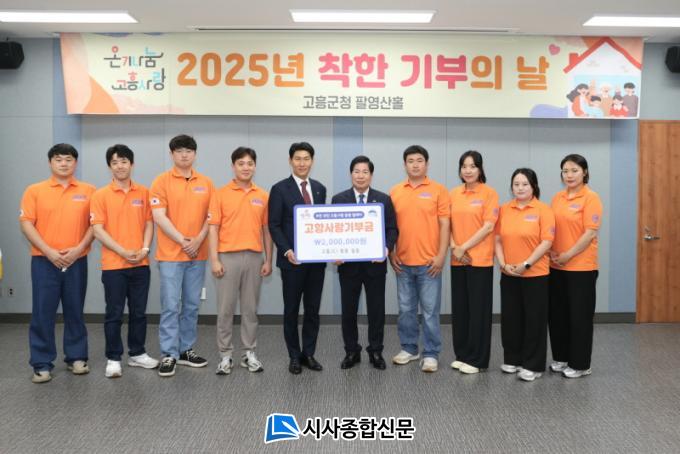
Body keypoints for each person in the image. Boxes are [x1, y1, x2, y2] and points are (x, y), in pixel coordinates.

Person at [19, 143, 95, 383]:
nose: (64, 163)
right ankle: (41, 364)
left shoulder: (89, 191)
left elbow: (95, 225)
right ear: (50, 162)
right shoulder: (34, 190)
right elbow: (27, 223)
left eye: (69, 159)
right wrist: (49, 251)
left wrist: (78, 249)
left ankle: (77, 357)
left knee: (75, 310)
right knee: (43, 312)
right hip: (44, 261)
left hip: (77, 261)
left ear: (76, 163)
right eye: (59, 159)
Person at [90, 144, 159, 378]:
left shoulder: (144, 192)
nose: (120, 166)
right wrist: (122, 251)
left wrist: (145, 249)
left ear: (132, 164)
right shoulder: (100, 195)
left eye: (124, 161)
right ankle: (113, 358)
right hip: (113, 266)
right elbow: (98, 230)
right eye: (115, 162)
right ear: (109, 166)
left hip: (140, 264)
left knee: (139, 312)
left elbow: (149, 223)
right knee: (114, 313)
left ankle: (137, 353)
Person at [150, 134, 214, 377]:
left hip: (198, 254)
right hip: (170, 255)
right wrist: (183, 240)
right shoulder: (161, 181)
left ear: (195, 154)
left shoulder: (206, 183)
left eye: (188, 151)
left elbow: (211, 217)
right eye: (179, 151)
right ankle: (169, 353)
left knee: (191, 305)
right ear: (172, 154)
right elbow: (159, 216)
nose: (184, 155)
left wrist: (197, 240)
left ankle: (186, 349)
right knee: (170, 305)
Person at [208, 147, 273, 375]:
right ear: (233, 166)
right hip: (227, 257)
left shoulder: (262, 195)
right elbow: (213, 229)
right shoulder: (220, 194)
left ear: (255, 166)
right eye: (241, 163)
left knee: (250, 310)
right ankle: (225, 355)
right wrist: (214, 260)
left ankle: (249, 353)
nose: (246, 167)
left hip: (254, 257)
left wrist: (268, 259)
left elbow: (266, 230)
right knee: (225, 310)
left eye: (250, 163)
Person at [331, 155, 398, 370]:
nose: (360, 176)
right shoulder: (338, 199)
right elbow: (332, 231)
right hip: (348, 267)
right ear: (351, 174)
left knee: (376, 311)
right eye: (356, 171)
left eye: (365, 172)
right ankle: (351, 351)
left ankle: (376, 351)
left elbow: (392, 229)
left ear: (371, 175)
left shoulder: (383, 199)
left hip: (375, 266)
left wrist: (386, 249)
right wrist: (334, 252)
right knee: (348, 311)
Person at [390, 145, 450, 373]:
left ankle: (431, 353)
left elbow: (445, 225)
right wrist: (391, 253)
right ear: (404, 165)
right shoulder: (395, 191)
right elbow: (390, 227)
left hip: (429, 264)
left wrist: (441, 256)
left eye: (419, 160)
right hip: (402, 263)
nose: (415, 165)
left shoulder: (439, 190)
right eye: (410, 161)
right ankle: (409, 348)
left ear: (427, 163)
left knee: (430, 312)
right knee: (405, 310)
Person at [268, 142, 327, 374]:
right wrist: (286, 250)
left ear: (312, 161)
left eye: (306, 158)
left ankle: (308, 354)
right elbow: (274, 225)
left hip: (316, 263)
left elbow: (322, 224)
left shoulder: (320, 189)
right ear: (290, 161)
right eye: (298, 159)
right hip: (292, 261)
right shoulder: (279, 189)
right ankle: (294, 356)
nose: (302, 163)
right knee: (291, 310)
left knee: (312, 310)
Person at [495, 168, 554, 382]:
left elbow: (546, 242)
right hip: (509, 273)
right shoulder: (504, 209)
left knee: (534, 320)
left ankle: (533, 365)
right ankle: (513, 359)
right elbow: (497, 239)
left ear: (533, 186)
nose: (520, 188)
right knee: (511, 319)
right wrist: (503, 264)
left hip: (535, 275)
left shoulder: (543, 210)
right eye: (516, 184)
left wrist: (526, 264)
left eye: (525, 184)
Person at [549, 154, 602, 378]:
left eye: (574, 170)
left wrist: (568, 255)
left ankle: (581, 364)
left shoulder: (591, 198)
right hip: (556, 266)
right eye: (565, 171)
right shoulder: (558, 197)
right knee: (558, 315)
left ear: (585, 172)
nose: (569, 175)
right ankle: (561, 357)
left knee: (579, 317)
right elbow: (550, 228)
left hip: (581, 268)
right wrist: (551, 252)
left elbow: (590, 233)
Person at [449, 151, 499, 375]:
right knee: (461, 309)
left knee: (478, 310)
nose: (468, 170)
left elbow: (488, 226)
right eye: (464, 166)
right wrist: (455, 248)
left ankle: (477, 359)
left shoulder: (489, 193)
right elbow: (446, 225)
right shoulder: (453, 194)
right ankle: (462, 354)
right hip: (457, 259)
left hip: (479, 260)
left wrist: (464, 247)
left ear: (480, 169)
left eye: (472, 166)